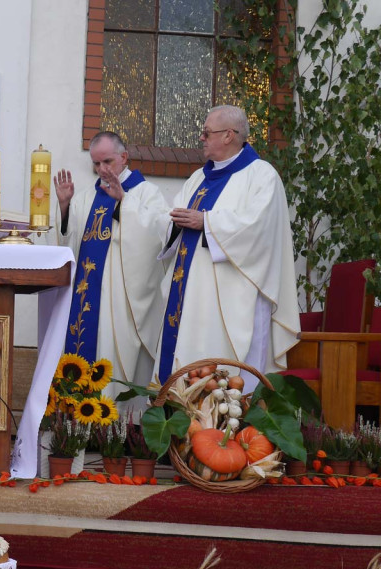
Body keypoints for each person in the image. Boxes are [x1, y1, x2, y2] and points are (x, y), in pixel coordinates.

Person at [156, 105, 299, 390]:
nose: (202, 138)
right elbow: (174, 216)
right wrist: (173, 222)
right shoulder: (199, 178)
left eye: (207, 132)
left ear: (229, 136)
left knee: (229, 374)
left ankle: (234, 430)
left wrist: (206, 222)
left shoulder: (262, 176)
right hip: (191, 293)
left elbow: (258, 229)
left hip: (234, 296)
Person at [53, 131, 170, 400]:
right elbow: (68, 243)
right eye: (95, 164)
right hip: (85, 298)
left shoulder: (146, 193)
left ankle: (115, 430)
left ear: (124, 157)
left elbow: (159, 237)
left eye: (107, 162)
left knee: (113, 357)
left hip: (120, 302)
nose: (101, 169)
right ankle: (76, 431)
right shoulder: (84, 197)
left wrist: (124, 203)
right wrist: (64, 207)